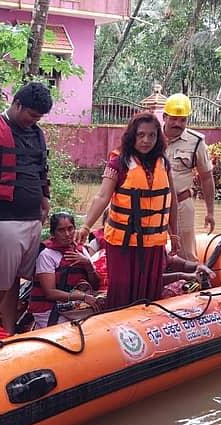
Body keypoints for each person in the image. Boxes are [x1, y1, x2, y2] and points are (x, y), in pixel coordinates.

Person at [0, 81, 53, 333]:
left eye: (39, 117)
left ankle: (8, 329)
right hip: (2, 219)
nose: (34, 120)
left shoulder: (36, 133)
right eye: (31, 114)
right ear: (17, 105)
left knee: (14, 277)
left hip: (31, 218)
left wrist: (44, 198)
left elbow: (41, 169)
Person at [76, 112, 180, 309]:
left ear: (158, 137)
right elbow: (102, 196)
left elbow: (171, 201)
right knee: (122, 290)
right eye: (141, 135)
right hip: (123, 243)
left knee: (150, 290)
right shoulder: (118, 164)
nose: (146, 140)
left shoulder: (164, 164)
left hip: (153, 243)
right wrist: (85, 225)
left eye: (152, 135)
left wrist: (174, 234)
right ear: (132, 136)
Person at [163, 93, 216, 260]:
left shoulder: (196, 142)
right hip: (153, 204)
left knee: (186, 254)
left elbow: (206, 177)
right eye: (174, 119)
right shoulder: (151, 137)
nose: (178, 124)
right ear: (164, 117)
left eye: (183, 120)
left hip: (181, 203)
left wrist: (210, 212)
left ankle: (191, 283)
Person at [29, 212, 102, 329]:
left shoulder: (81, 251)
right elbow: (50, 293)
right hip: (49, 309)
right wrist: (82, 297)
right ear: (53, 233)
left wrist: (88, 265)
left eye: (70, 229)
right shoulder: (47, 255)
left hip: (77, 307)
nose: (67, 234)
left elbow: (96, 284)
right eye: (61, 230)